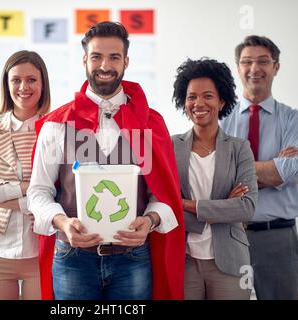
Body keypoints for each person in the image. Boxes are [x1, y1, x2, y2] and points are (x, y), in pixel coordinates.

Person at [27, 21, 185, 300]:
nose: (105, 65)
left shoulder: (150, 124)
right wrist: (63, 223)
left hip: (132, 259)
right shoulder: (56, 125)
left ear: (125, 61)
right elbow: (38, 193)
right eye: (97, 56)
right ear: (85, 59)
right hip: (73, 259)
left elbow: (163, 194)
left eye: (114, 57)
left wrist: (150, 221)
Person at [220, 35, 298, 299]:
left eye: (263, 61)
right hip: (230, 235)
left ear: (276, 67)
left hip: (278, 236)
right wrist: (272, 169)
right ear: (238, 67)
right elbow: (216, 175)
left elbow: (293, 170)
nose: (254, 69)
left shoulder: (294, 119)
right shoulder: (222, 120)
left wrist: (238, 170)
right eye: (247, 62)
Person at [0, 50, 51, 300]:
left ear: (43, 84)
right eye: (16, 80)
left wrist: (2, 197)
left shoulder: (55, 131)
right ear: (6, 84)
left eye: (32, 80)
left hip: (42, 249)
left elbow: (59, 193)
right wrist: (29, 189)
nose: (24, 87)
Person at [171, 58, 257, 299]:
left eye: (207, 96)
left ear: (221, 101)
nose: (199, 103)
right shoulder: (170, 146)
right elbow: (165, 204)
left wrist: (189, 204)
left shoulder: (240, 148)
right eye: (192, 97)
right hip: (184, 259)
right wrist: (224, 207)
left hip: (230, 260)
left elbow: (247, 208)